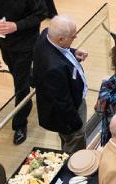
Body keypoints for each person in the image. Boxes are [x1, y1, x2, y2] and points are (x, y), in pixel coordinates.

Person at [0, 0, 49, 145]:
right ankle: (39, 82)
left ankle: (20, 124)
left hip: (26, 42)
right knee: (19, 75)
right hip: (5, 42)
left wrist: (16, 26)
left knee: (20, 86)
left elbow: (41, 13)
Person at [33, 16, 90, 153]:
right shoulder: (54, 68)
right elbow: (63, 102)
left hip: (70, 101)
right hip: (69, 115)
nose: (75, 38)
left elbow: (60, 54)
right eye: (72, 37)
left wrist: (72, 52)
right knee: (75, 143)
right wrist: (77, 125)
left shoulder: (46, 34)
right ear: (60, 39)